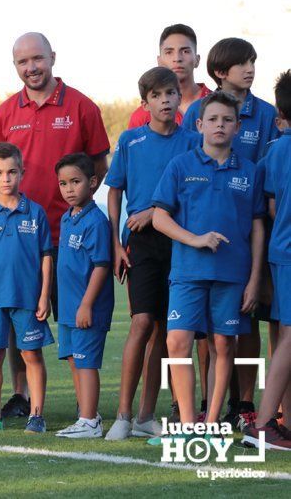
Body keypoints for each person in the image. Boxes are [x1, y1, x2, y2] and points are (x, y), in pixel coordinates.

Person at [0, 32, 110, 419]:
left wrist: (76, 210)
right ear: (15, 65)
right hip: (22, 242)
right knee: (18, 320)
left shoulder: (81, 106)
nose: (31, 68)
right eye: (22, 62)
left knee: (74, 319)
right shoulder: (5, 112)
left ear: (52, 57)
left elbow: (99, 165)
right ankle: (20, 395)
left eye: (37, 59)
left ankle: (82, 400)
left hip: (68, 238)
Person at [150, 92, 265, 437]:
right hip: (187, 273)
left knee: (223, 345)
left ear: (237, 126)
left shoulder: (250, 171)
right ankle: (187, 424)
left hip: (233, 276)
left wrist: (256, 278)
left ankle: (212, 422)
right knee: (177, 343)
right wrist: (195, 239)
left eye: (227, 120)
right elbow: (158, 217)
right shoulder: (181, 166)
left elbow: (258, 227)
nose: (220, 125)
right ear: (199, 125)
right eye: (213, 119)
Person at [104, 68, 200, 440]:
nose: (165, 101)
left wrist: (157, 212)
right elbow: (115, 189)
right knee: (142, 322)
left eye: (171, 93)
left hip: (177, 240)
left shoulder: (193, 142)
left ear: (180, 98)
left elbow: (192, 193)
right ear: (144, 103)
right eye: (157, 95)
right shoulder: (130, 140)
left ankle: (145, 415)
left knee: (165, 327)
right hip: (141, 242)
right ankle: (122, 415)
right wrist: (115, 242)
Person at [0, 142, 54, 434]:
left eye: (12, 172)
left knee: (32, 354)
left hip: (28, 298)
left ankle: (36, 415)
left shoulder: (36, 212)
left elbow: (46, 255)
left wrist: (44, 295)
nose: (6, 178)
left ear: (22, 173)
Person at [243, 70, 291, 450]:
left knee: (285, 337)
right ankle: (263, 423)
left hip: (280, 253)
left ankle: (280, 423)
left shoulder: (274, 151)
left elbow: (270, 205)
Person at [53, 153, 114, 438]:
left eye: (75, 181)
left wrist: (87, 305)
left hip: (86, 309)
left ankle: (90, 421)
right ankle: (85, 416)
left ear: (92, 182)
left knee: (86, 361)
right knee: (74, 360)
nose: (69, 189)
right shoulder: (68, 218)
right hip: (67, 308)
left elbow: (102, 266)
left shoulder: (96, 221)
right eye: (63, 183)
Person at [127, 24, 212, 128]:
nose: (177, 58)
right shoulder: (141, 117)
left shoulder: (221, 105)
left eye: (185, 51)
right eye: (169, 52)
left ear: (197, 60)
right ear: (159, 61)